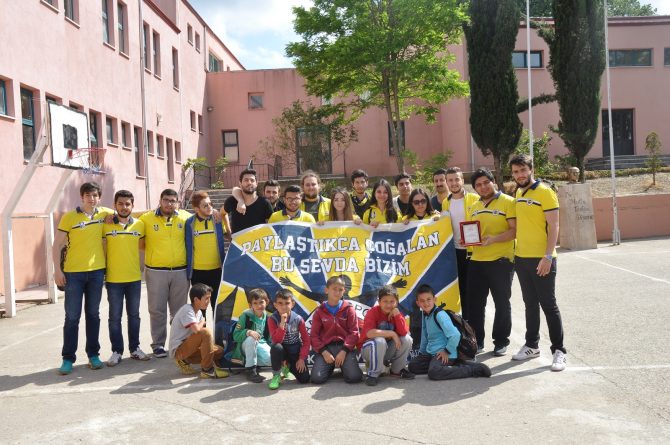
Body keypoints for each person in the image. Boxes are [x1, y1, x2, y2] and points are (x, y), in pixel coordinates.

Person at [509, 154, 566, 371]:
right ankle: (532, 345)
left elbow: (554, 226)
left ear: (531, 169)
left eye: (523, 170)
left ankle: (559, 351)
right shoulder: (518, 192)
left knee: (548, 305)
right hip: (522, 258)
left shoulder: (545, 192)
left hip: (542, 258)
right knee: (530, 304)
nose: (520, 175)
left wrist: (548, 256)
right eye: (516, 172)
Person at [53, 182, 113, 375]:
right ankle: (67, 358)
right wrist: (57, 271)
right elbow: (57, 245)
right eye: (88, 195)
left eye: (95, 195)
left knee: (93, 315)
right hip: (73, 274)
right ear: (82, 197)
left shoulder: (105, 214)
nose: (91, 199)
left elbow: (125, 215)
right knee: (72, 317)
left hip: (96, 273)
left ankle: (93, 355)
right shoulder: (69, 217)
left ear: (99, 197)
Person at [465, 168, 516, 356]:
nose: (483, 187)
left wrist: (493, 240)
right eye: (478, 185)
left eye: (486, 182)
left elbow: (514, 231)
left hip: (501, 261)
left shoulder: (509, 202)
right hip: (477, 261)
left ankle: (501, 341)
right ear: (475, 188)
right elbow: (472, 232)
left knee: (502, 302)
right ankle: (477, 342)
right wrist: (466, 240)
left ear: (493, 181)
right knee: (475, 305)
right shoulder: (474, 206)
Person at [139, 189, 191, 358]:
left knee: (179, 311)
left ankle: (178, 343)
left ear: (178, 202)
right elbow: (138, 239)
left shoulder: (186, 217)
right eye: (166, 200)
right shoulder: (146, 219)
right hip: (156, 271)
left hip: (180, 271)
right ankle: (158, 344)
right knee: (157, 310)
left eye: (173, 201)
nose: (169, 204)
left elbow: (203, 216)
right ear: (160, 200)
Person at [103, 190, 150, 366]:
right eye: (120, 204)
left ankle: (135, 348)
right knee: (115, 317)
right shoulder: (105, 224)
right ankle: (116, 351)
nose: (124, 207)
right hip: (113, 279)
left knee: (134, 315)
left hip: (134, 278)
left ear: (132, 205)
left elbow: (143, 246)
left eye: (127, 204)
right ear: (114, 205)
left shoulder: (140, 225)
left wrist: (141, 266)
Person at [408, 284, 491, 380]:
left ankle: (472, 369)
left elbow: (455, 335)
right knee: (413, 366)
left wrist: (446, 351)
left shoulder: (440, 315)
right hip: (432, 354)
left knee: (434, 372)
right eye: (422, 301)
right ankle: (455, 364)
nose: (426, 303)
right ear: (418, 303)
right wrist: (422, 354)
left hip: (446, 353)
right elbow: (424, 336)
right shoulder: (425, 314)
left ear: (434, 299)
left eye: (428, 299)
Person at [442, 167, 479, 327]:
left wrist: (473, 240)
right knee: (461, 290)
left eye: (457, 179)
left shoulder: (475, 198)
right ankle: (465, 325)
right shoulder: (445, 202)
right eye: (450, 180)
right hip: (454, 252)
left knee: (474, 291)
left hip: (474, 252)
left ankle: (475, 325)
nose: (454, 183)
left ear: (462, 180)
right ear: (446, 182)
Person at [310, 275, 363, 384]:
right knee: (316, 379)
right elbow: (314, 336)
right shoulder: (319, 311)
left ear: (344, 291)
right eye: (334, 289)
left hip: (344, 347)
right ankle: (330, 367)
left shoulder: (349, 309)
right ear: (326, 290)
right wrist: (324, 352)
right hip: (327, 348)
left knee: (354, 378)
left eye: (340, 290)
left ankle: (345, 367)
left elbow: (354, 333)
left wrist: (344, 350)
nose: (337, 292)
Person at [169, 284, 229, 378]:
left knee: (219, 351)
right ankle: (207, 370)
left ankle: (185, 361)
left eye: (209, 298)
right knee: (205, 332)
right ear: (196, 299)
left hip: (190, 348)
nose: (208, 301)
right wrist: (202, 322)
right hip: (179, 350)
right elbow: (197, 330)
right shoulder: (187, 310)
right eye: (206, 298)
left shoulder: (199, 312)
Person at [360, 285, 414, 386]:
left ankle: (397, 370)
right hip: (369, 350)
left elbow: (404, 333)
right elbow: (369, 333)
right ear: (379, 301)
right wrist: (392, 333)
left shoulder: (397, 313)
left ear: (397, 302)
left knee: (407, 339)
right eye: (385, 301)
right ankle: (373, 374)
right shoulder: (373, 312)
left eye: (392, 301)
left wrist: (397, 316)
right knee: (380, 340)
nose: (388, 305)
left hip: (386, 350)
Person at [185, 191, 226, 319]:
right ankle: (202, 332)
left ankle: (217, 333)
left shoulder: (217, 219)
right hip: (198, 273)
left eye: (210, 204)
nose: (210, 207)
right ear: (196, 209)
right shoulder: (189, 223)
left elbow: (228, 234)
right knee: (200, 310)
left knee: (217, 308)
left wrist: (222, 216)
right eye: (205, 205)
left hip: (217, 271)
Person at [267, 289, 311, 390]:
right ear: (275, 305)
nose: (283, 307)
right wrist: (282, 323)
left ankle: (287, 367)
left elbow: (306, 341)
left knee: (304, 379)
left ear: (293, 304)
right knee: (276, 347)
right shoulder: (272, 319)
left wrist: (301, 359)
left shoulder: (298, 319)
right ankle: (276, 375)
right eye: (280, 303)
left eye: (287, 303)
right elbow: (276, 340)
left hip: (294, 352)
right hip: (282, 351)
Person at [232, 288, 272, 383]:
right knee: (251, 339)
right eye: (255, 303)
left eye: (261, 302)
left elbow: (270, 339)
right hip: (245, 345)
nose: (259, 306)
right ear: (250, 305)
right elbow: (236, 335)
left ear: (267, 302)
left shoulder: (268, 318)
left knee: (271, 360)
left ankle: (253, 363)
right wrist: (248, 332)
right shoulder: (246, 315)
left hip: (261, 344)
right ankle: (251, 370)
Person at [222, 168, 273, 234]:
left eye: (252, 180)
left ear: (256, 183)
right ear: (240, 183)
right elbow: (222, 213)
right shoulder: (232, 201)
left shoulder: (265, 203)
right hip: (238, 240)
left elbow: (271, 226)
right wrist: (228, 231)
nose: (249, 183)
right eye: (246, 180)